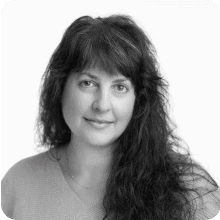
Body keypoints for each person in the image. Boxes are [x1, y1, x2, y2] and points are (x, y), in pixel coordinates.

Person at [1, 14, 220, 220]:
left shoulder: (191, 191)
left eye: (120, 87)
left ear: (139, 99)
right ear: (60, 88)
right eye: (88, 83)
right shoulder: (18, 185)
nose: (102, 105)